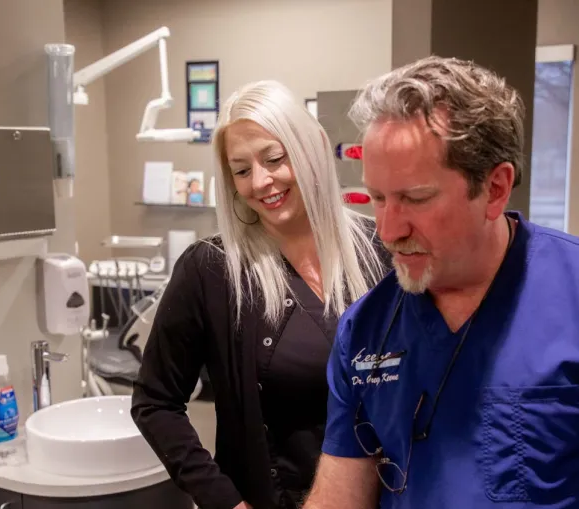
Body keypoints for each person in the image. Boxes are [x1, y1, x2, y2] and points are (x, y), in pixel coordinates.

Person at [303, 56, 579, 509]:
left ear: (495, 188)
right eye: (377, 199)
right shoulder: (367, 327)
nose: (388, 230)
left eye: (415, 199)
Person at [132, 80, 390, 509]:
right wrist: (222, 499)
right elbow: (155, 402)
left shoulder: (379, 248)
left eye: (274, 158)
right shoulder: (212, 270)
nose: (261, 182)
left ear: (313, 147)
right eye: (241, 170)